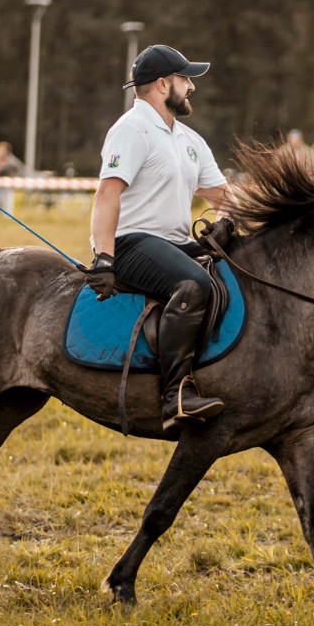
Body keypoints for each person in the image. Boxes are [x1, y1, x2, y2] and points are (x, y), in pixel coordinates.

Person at [83, 44, 233, 431]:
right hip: (132, 244)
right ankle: (175, 396)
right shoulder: (131, 130)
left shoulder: (189, 140)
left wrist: (225, 222)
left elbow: (222, 197)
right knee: (193, 282)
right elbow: (107, 195)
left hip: (173, 242)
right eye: (186, 80)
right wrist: (103, 257)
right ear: (163, 84)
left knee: (241, 259)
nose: (191, 88)